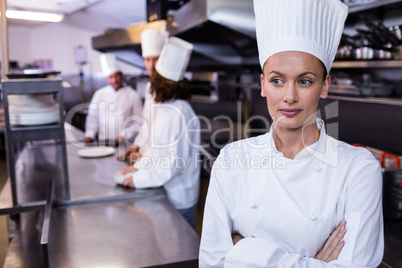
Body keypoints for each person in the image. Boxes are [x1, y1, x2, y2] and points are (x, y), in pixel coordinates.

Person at [199, 0, 384, 267]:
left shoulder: (357, 168)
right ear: (263, 84)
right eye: (277, 80)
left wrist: (242, 249)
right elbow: (211, 262)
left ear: (324, 86)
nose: (289, 96)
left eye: (304, 81)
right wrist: (312, 262)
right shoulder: (231, 159)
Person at [117, 37, 201, 227]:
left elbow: (173, 165)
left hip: (180, 197)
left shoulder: (179, 112)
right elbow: (156, 149)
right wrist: (139, 167)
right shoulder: (166, 108)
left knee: (180, 250)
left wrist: (138, 179)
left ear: (161, 84)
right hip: (168, 192)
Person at [118, 28, 169, 162]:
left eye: (155, 59)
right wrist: (137, 145)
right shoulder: (150, 85)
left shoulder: (169, 89)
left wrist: (146, 156)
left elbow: (164, 131)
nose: (151, 65)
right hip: (150, 154)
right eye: (147, 59)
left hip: (161, 156)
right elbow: (147, 120)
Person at [84, 53, 142, 144]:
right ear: (106, 79)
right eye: (110, 77)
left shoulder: (133, 95)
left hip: (125, 142)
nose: (114, 80)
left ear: (121, 75)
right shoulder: (99, 94)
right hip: (103, 141)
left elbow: (138, 121)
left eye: (116, 76)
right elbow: (92, 117)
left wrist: (125, 134)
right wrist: (89, 134)